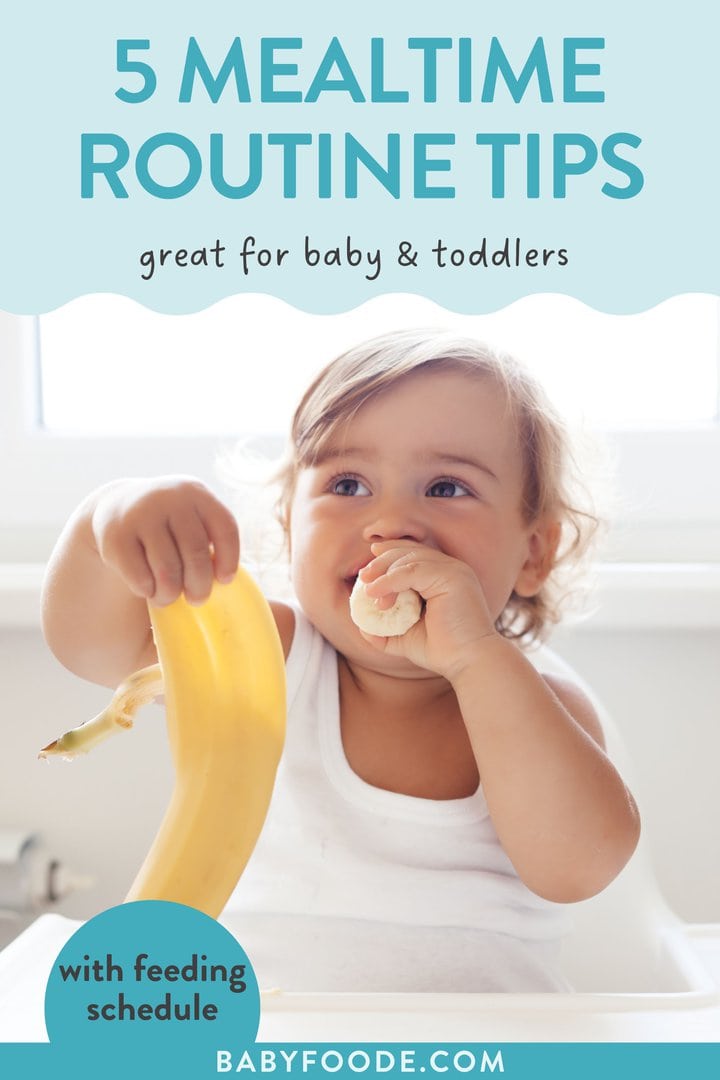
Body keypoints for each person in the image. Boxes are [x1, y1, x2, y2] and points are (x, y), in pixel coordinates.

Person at [41, 329, 640, 992]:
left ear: (534, 553)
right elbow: (91, 647)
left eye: (446, 488)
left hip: (483, 1047)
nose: (391, 522)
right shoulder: (267, 658)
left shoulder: (540, 702)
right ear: (290, 525)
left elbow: (579, 868)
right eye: (348, 483)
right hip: (263, 1040)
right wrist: (109, 516)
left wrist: (476, 658)